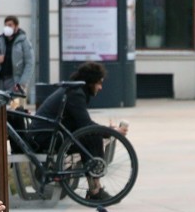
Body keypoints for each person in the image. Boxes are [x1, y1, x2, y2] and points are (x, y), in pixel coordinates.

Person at [33, 61, 129, 202]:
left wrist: (108, 131)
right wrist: (111, 131)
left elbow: (82, 124)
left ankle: (95, 187)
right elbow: (86, 125)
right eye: (99, 83)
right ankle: (95, 189)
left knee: (91, 136)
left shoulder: (76, 91)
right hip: (46, 138)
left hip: (48, 134)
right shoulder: (75, 94)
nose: (101, 87)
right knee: (92, 137)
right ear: (90, 82)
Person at [0, 15, 35, 93]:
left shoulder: (24, 41)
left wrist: (22, 83)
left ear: (16, 26)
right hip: (1, 79)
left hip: (15, 80)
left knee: (15, 104)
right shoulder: (0, 40)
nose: (7, 27)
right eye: (6, 25)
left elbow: (29, 63)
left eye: (10, 25)